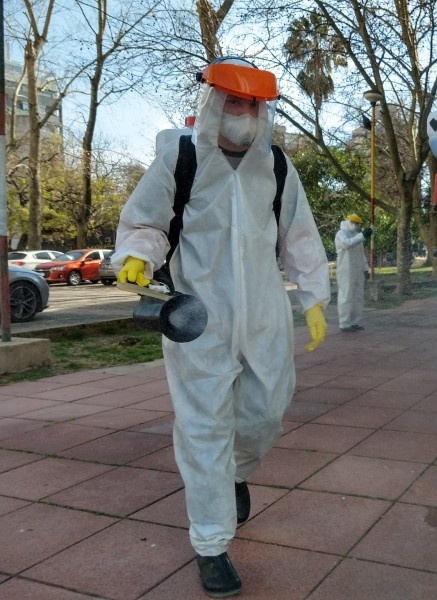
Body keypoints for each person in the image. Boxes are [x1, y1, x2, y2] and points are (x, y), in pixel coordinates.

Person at [112, 57, 330, 598]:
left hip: (264, 314)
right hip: (199, 316)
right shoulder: (181, 157)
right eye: (234, 101)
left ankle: (235, 475)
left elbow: (299, 235)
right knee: (204, 427)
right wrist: (138, 254)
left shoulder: (275, 165)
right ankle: (211, 544)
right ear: (212, 101)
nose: (244, 112)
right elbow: (147, 220)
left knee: (267, 412)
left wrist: (314, 298)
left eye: (253, 104)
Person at [335, 214, 372, 332]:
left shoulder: (357, 235)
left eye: (357, 223)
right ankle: (344, 324)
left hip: (358, 270)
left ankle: (354, 322)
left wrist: (365, 268)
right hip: (345, 270)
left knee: (357, 296)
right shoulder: (341, 234)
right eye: (353, 222)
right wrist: (362, 236)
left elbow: (361, 254)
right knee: (346, 296)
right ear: (347, 221)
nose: (355, 225)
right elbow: (347, 244)